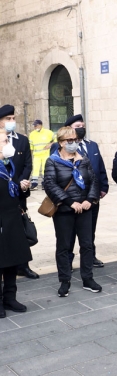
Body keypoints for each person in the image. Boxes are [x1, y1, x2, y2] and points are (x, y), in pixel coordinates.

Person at [44, 127, 102, 297]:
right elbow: (50, 184)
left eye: (75, 140)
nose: (73, 143)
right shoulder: (53, 161)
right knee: (64, 246)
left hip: (84, 208)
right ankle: (64, 281)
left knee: (87, 244)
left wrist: (89, 199)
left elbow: (93, 181)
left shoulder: (83, 159)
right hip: (64, 210)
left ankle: (88, 278)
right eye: (69, 140)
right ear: (61, 142)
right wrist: (70, 202)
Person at [51, 114, 109, 268]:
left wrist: (103, 187)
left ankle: (90, 258)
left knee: (89, 231)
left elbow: (99, 168)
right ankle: (68, 260)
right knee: (68, 235)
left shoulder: (92, 145)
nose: (81, 129)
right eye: (77, 126)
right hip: (69, 199)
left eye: (82, 126)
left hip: (90, 197)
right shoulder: (58, 148)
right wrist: (68, 200)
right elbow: (53, 179)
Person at [0, 105, 38, 279]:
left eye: (13, 118)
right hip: (4, 194)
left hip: (18, 194)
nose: (12, 121)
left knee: (20, 230)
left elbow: (27, 164)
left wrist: (22, 182)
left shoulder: (22, 140)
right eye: (8, 119)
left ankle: (23, 265)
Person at [0, 128, 31, 318]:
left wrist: (22, 187)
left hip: (12, 217)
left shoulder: (8, 165)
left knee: (12, 260)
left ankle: (10, 297)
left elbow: (13, 190)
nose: (8, 144)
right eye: (4, 142)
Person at [28, 119, 55, 190]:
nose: (35, 127)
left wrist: (50, 144)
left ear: (41, 125)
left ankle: (44, 183)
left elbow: (56, 139)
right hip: (36, 155)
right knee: (35, 169)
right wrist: (30, 156)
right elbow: (31, 146)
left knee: (44, 169)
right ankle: (34, 183)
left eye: (36, 125)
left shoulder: (48, 132)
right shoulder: (32, 134)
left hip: (46, 154)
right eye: (34, 126)